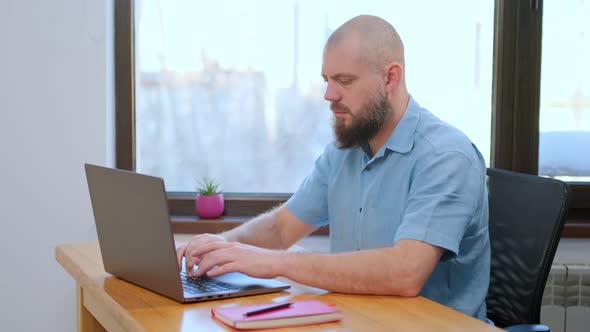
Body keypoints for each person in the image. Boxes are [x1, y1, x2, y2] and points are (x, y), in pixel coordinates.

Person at [176, 15, 490, 320]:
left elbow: (404, 273)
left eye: (345, 81)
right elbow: (281, 227)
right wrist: (220, 247)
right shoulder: (344, 151)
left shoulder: (446, 157)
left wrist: (277, 262)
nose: (329, 95)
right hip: (356, 321)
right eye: (327, 80)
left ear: (390, 77)